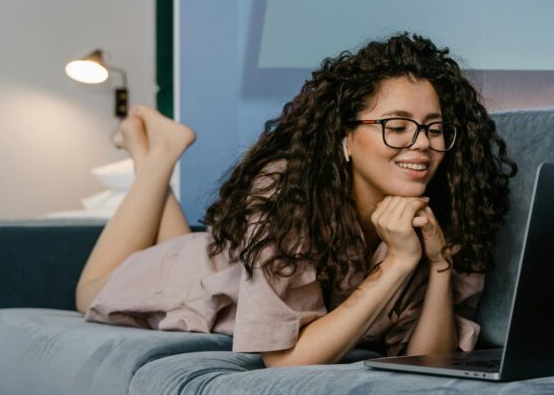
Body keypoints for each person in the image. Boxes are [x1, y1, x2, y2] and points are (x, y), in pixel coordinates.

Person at [75, 33, 517, 367]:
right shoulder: (289, 191)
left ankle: (152, 153)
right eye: (396, 127)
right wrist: (397, 265)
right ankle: (156, 157)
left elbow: (429, 365)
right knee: (89, 292)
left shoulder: (450, 207)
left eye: (434, 128)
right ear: (345, 137)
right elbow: (285, 364)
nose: (421, 145)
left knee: (189, 251)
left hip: (224, 265)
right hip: (196, 276)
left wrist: (439, 266)